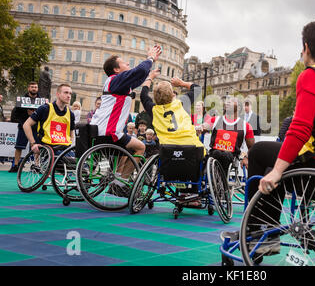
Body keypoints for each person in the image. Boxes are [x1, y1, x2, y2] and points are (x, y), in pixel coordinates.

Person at [221, 19, 315, 252]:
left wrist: (277, 172)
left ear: (306, 47)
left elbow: (300, 128)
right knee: (278, 159)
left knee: (262, 153)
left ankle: (256, 230)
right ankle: (266, 227)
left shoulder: (313, 74)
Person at [90, 45, 162, 183]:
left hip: (99, 131)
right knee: (141, 147)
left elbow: (138, 79)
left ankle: (113, 175)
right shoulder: (116, 79)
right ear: (116, 69)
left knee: (127, 148)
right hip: (110, 132)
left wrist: (150, 76)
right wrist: (150, 58)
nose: (128, 64)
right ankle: (121, 182)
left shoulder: (115, 83)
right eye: (124, 63)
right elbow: (139, 70)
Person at [140, 74, 204, 206]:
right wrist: (181, 83)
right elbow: (197, 89)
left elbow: (143, 95)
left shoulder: (153, 109)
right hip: (191, 148)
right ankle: (193, 192)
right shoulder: (181, 103)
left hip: (168, 152)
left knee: (175, 157)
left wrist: (150, 77)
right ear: (172, 95)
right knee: (202, 158)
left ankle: (181, 192)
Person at [201, 96, 255, 173]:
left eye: (232, 101)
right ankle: (214, 178)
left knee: (226, 155)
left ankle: (220, 181)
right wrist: (201, 127)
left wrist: (246, 157)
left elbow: (252, 147)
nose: (228, 102)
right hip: (214, 153)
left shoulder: (245, 126)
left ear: (239, 107)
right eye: (227, 101)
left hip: (232, 156)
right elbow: (204, 126)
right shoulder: (215, 119)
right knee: (216, 153)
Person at [22, 84, 75, 154]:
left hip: (64, 149)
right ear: (58, 94)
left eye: (70, 93)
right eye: (66, 92)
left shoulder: (70, 114)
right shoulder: (45, 109)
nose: (69, 96)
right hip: (48, 148)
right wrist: (33, 143)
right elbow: (26, 125)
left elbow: (72, 134)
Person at [9, 81, 41, 172]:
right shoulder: (21, 100)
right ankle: (15, 165)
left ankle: (36, 166)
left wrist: (34, 115)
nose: (34, 88)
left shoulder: (42, 102)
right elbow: (15, 114)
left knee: (36, 147)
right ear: (28, 88)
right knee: (19, 147)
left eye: (35, 87)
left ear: (37, 89)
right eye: (32, 87)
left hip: (35, 128)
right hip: (23, 127)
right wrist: (23, 122)